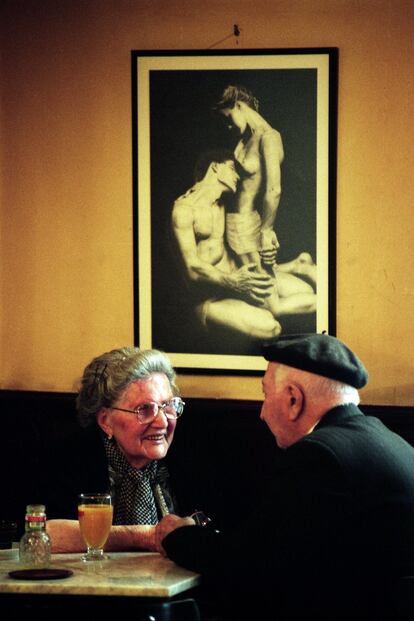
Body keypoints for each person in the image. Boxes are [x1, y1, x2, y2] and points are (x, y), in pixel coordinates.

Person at [155, 334, 414, 619]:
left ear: (294, 399)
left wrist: (178, 536)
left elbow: (249, 567)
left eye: (265, 395)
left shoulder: (319, 457)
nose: (262, 413)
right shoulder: (391, 442)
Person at [44, 346, 185, 553]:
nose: (162, 421)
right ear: (105, 420)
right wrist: (147, 537)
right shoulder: (71, 458)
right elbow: (45, 533)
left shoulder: (192, 455)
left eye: (168, 406)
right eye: (144, 409)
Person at [214, 85, 317, 318]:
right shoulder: (244, 138)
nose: (228, 125)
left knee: (273, 307)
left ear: (239, 105)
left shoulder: (269, 137)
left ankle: (330, 303)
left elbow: (273, 189)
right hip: (234, 222)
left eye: (229, 117)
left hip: (245, 226)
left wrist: (267, 231)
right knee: (259, 282)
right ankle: (298, 265)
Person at [172, 148, 282, 340]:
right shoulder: (183, 211)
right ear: (215, 167)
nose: (237, 176)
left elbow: (244, 233)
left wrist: (268, 248)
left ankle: (298, 265)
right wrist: (234, 282)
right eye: (232, 168)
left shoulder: (220, 205)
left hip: (234, 284)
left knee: (301, 292)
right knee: (271, 327)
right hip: (206, 299)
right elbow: (191, 268)